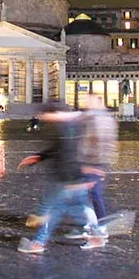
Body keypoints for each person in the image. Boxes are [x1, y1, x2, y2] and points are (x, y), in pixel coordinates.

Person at [17, 103, 106, 254]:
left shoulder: (68, 127)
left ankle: (38, 243)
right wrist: (39, 157)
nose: (43, 118)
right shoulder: (67, 125)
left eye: (45, 115)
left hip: (66, 178)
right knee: (76, 209)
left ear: (54, 112)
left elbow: (70, 154)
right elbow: (58, 149)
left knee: (53, 209)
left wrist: (75, 177)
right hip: (70, 178)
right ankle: (96, 236)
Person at [72, 95, 118, 239]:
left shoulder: (104, 120)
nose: (87, 104)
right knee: (86, 194)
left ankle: (101, 227)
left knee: (95, 195)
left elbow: (106, 144)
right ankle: (92, 223)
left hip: (96, 163)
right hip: (88, 162)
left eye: (90, 102)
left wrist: (100, 166)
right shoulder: (92, 117)